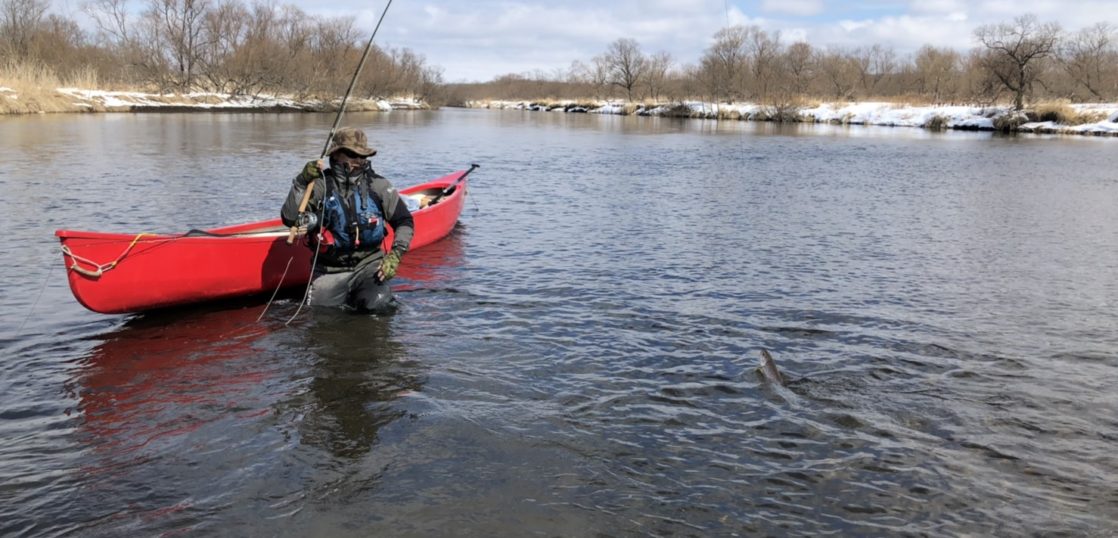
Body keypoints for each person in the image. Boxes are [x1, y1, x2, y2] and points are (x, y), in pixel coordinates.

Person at [281, 127, 414, 313]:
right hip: (329, 270)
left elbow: (404, 221)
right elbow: (290, 218)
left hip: (369, 266)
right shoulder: (318, 185)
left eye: (363, 156)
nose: (359, 160)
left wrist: (395, 254)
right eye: (352, 154)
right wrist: (301, 182)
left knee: (379, 304)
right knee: (322, 319)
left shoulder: (379, 185)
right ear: (336, 155)